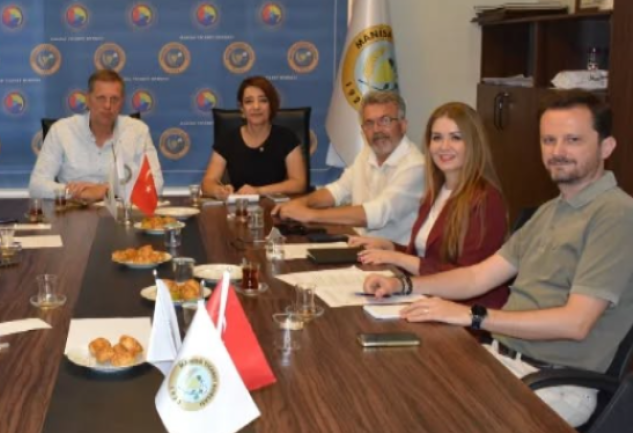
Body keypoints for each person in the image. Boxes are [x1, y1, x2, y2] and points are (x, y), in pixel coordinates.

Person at [363, 91, 633, 427]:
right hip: (503, 360)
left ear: (606, 147)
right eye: (549, 140)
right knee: (392, 385)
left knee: (423, 421)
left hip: (553, 383)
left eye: (573, 140)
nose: (557, 151)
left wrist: (473, 316)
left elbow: (575, 323)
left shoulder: (616, 216)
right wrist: (404, 284)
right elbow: (477, 277)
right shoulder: (551, 211)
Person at [349, 102, 509, 309]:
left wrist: (397, 258)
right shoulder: (435, 192)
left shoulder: (485, 200)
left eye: (456, 137)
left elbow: (467, 277)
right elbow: (426, 258)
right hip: (428, 300)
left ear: (473, 144)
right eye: (437, 138)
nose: (444, 146)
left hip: (467, 312)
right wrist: (389, 246)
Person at [273, 90, 425, 245]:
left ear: (403, 125)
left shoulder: (415, 166)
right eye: (369, 123)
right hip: (359, 245)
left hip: (392, 255)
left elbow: (378, 213)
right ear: (363, 130)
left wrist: (310, 214)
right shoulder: (367, 153)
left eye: (385, 121)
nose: (377, 130)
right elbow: (339, 190)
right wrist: (302, 203)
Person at [29, 69, 163, 202]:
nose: (107, 105)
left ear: (122, 102)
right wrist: (79, 193)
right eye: (101, 98)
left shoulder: (138, 131)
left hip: (121, 212)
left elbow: (156, 185)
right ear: (88, 100)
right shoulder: (62, 131)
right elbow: (36, 185)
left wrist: (106, 191)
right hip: (73, 211)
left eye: (114, 99)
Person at [201, 76, 307, 199]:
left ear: (271, 106)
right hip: (240, 207)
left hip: (276, 207)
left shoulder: (287, 137)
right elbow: (207, 183)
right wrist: (218, 190)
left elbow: (299, 183)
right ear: (242, 108)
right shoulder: (228, 139)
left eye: (263, 100)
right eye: (249, 101)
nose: (256, 107)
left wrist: (259, 191)